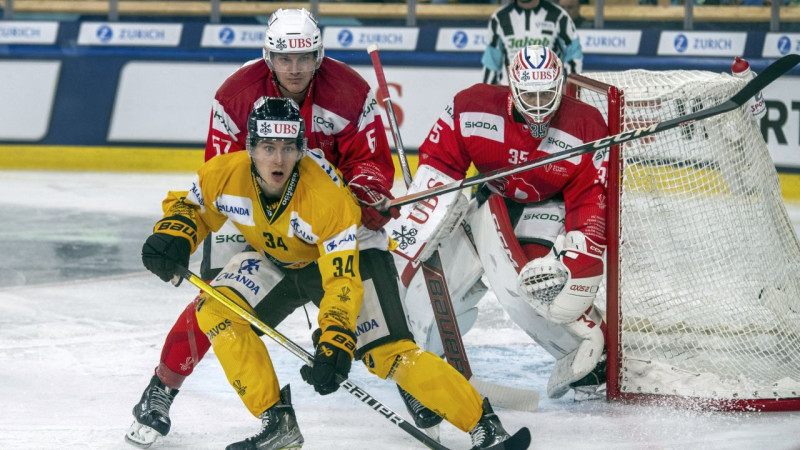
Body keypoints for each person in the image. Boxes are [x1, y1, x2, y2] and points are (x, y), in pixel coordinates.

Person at [130, 97, 525, 449]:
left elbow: (341, 280)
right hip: (278, 257)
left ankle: (485, 428)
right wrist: (176, 233)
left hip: (354, 256)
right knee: (215, 310)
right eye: (268, 147)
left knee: (388, 355)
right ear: (249, 148)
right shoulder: (223, 173)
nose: (278, 160)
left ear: (302, 149)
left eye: (288, 148)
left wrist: (337, 337)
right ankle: (277, 423)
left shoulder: (326, 200)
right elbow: (191, 208)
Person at [390, 45, 608, 402]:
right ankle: (430, 365)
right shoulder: (471, 107)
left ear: (561, 86)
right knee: (425, 295)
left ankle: (594, 356)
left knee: (533, 288)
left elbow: (589, 198)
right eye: (530, 94)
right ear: (512, 87)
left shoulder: (586, 126)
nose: (538, 105)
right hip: (491, 198)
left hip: (549, 205)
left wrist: (582, 253)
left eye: (547, 94)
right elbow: (439, 167)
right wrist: (424, 223)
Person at [482, 0, 583, 85]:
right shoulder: (499, 18)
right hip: (511, 94)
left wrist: (569, 90)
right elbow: (491, 64)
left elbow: (574, 56)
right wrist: (488, 96)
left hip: (550, 95)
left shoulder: (559, 16)